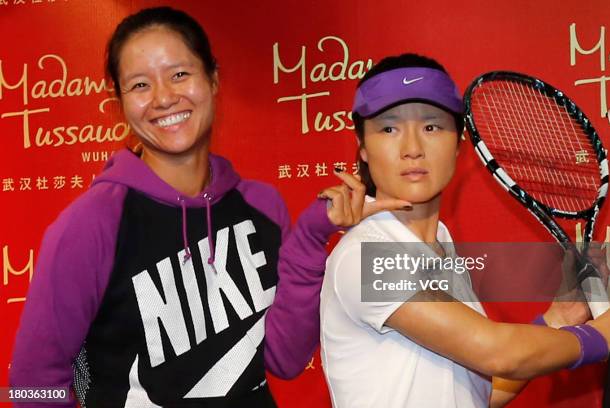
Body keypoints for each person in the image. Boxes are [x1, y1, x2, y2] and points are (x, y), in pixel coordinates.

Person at [9, 7, 409, 408]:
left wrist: (308, 237)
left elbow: (285, 360)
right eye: (140, 85)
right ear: (119, 102)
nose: (164, 97)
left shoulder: (262, 205)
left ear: (213, 78)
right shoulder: (92, 224)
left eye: (179, 74)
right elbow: (32, 382)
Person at [319, 53, 610, 408]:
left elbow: (478, 393)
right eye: (389, 128)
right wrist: (601, 336)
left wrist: (560, 318)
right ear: (363, 149)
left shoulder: (441, 243)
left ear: (458, 144)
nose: (412, 149)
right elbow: (496, 352)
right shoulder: (364, 256)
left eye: (431, 127)